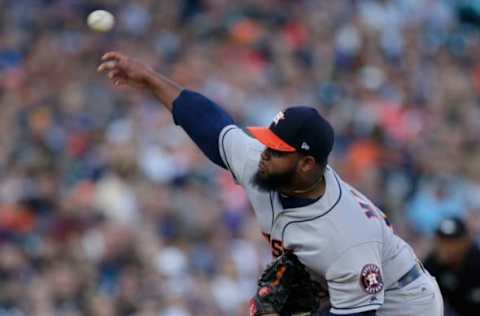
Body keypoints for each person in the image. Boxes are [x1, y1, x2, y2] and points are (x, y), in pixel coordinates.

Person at [97, 52, 444, 316]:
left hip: (403, 302)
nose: (264, 154)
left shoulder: (344, 237)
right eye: (268, 143)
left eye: (278, 151)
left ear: (307, 164)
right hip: (349, 287)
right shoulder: (267, 165)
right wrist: (149, 79)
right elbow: (209, 124)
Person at [424, 217, 480, 316]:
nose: (445, 247)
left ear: (465, 242)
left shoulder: (476, 263)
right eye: (441, 241)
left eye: (451, 242)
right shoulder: (432, 264)